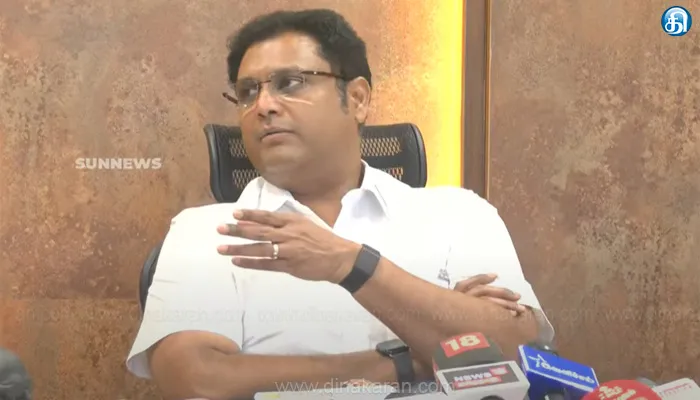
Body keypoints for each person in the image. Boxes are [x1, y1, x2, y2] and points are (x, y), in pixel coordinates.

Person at [126, 8, 554, 400]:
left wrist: (353, 265)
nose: (263, 106)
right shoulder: (207, 232)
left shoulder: (457, 213)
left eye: (290, 83)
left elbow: (519, 351)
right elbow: (196, 380)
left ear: (358, 99)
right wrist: (409, 360)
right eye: (247, 91)